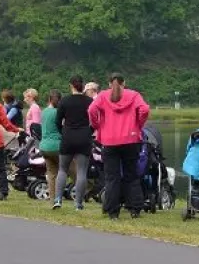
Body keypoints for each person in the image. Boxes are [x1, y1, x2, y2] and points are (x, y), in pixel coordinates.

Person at [88, 73, 150, 220]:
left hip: (109, 141)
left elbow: (91, 110)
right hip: (131, 139)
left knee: (112, 178)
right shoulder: (134, 95)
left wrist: (97, 125)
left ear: (110, 84)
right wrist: (138, 124)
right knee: (131, 175)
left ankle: (112, 211)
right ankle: (135, 208)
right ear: (124, 83)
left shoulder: (103, 96)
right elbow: (145, 110)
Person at [53, 75, 95, 210]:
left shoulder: (64, 101)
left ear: (71, 85)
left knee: (62, 169)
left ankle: (58, 199)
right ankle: (78, 203)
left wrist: (63, 132)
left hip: (68, 136)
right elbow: (95, 121)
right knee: (81, 171)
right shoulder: (90, 101)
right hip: (84, 137)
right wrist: (89, 131)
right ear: (82, 85)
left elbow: (57, 121)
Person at [39, 89, 75, 204]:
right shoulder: (59, 113)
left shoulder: (44, 112)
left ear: (49, 99)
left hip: (44, 147)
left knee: (52, 174)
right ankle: (84, 191)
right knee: (74, 170)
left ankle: (53, 199)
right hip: (57, 146)